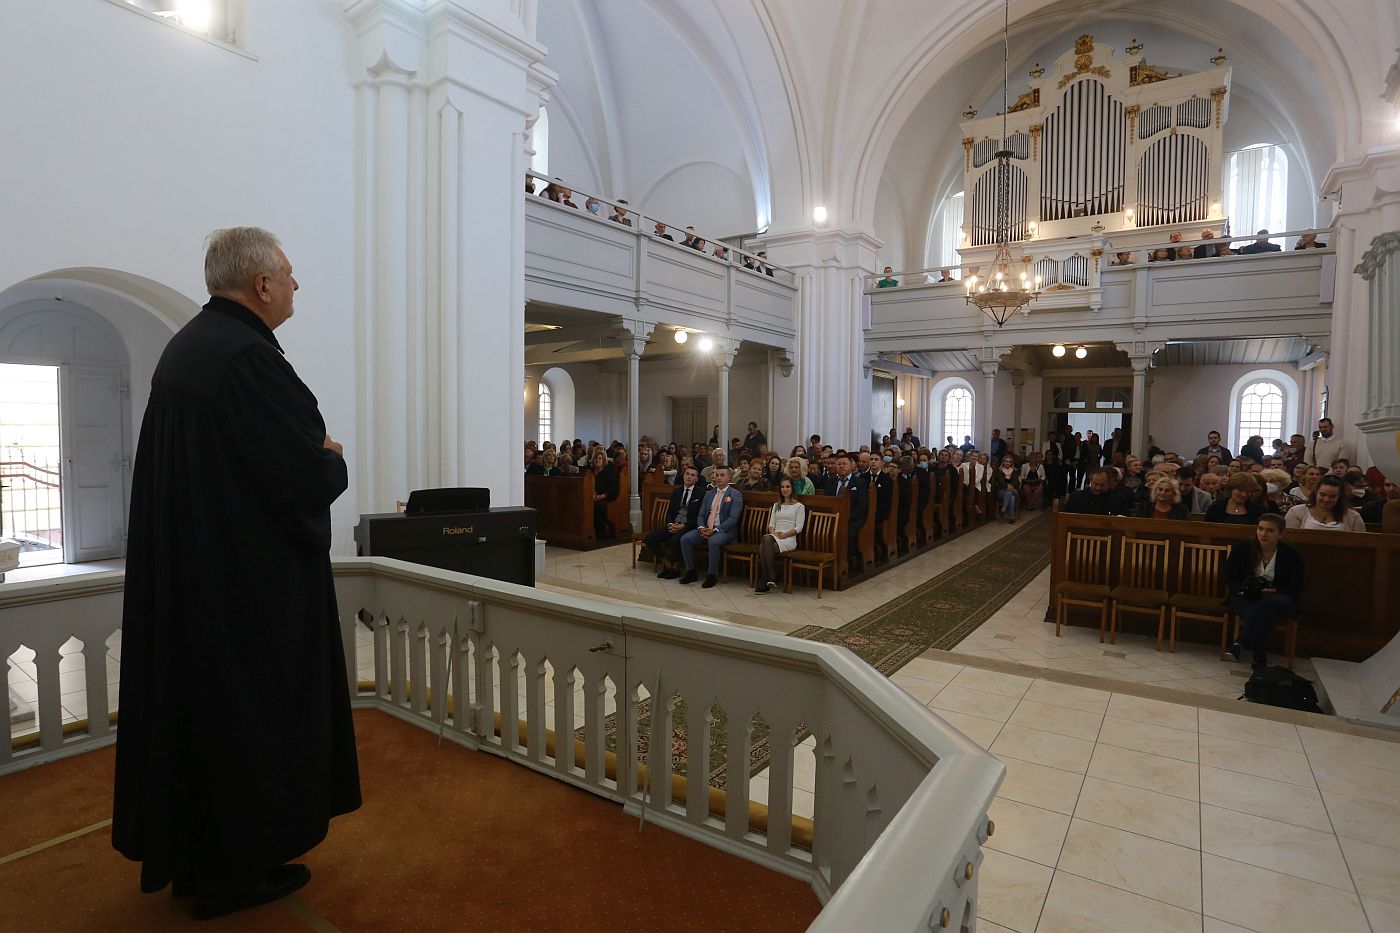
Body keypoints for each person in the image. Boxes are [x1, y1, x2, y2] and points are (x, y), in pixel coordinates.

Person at [113, 227, 360, 920]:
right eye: (289, 274)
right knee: (249, 718)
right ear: (261, 285)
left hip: (199, 577)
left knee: (203, 720)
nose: (295, 285)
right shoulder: (249, 360)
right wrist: (331, 457)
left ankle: (198, 859)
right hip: (243, 591)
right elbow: (300, 471)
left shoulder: (189, 348)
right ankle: (236, 873)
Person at [1225, 514, 1303, 670]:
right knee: (1261, 614)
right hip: (1246, 596)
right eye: (1260, 529)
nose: (1263, 534)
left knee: (1268, 605)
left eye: (1270, 530)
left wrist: (1276, 590)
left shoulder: (1292, 553)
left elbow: (1298, 584)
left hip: (1278, 597)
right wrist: (1243, 589)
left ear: (1280, 533)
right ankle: (1259, 659)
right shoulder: (1243, 548)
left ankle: (1241, 642)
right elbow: (1229, 576)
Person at [678, 465, 744, 588]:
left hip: (724, 531)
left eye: (722, 475)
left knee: (713, 542)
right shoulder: (709, 494)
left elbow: (733, 518)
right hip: (706, 528)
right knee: (685, 539)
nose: (718, 478)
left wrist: (715, 530)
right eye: (717, 475)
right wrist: (701, 528)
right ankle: (691, 571)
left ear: (728, 477)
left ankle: (711, 575)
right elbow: (701, 514)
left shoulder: (735, 495)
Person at [648, 465, 704, 579]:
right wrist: (670, 524)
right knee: (650, 538)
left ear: (696, 479)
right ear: (683, 476)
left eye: (692, 475)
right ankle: (667, 564)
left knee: (675, 540)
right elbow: (670, 512)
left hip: (688, 526)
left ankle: (676, 568)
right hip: (674, 524)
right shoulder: (677, 491)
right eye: (687, 474)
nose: (689, 477)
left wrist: (683, 526)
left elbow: (699, 516)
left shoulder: (701, 493)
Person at [756, 477, 807, 593]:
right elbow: (771, 525)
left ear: (792, 489)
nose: (785, 489)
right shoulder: (776, 505)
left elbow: (799, 528)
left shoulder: (799, 506)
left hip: (789, 539)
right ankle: (771, 575)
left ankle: (766, 578)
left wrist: (785, 535)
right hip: (775, 537)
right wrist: (774, 533)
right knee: (767, 540)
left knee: (763, 545)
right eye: (782, 487)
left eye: (787, 486)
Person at [823, 453, 868, 571]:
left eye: (844, 464)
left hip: (853, 519)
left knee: (849, 533)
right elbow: (827, 501)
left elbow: (862, 506)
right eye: (839, 464)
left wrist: (846, 517)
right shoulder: (831, 481)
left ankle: (847, 561)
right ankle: (828, 561)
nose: (841, 466)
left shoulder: (859, 483)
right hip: (834, 517)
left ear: (851, 466)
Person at [1283, 475, 1367, 531]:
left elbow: (1361, 544)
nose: (1326, 499)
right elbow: (1289, 541)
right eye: (1322, 495)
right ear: (1316, 492)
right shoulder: (1296, 512)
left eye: (1332, 496)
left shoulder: (1353, 517)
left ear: (1339, 496)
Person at [993, 454, 1020, 523]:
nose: (1008, 463)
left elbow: (1015, 482)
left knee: (1011, 492)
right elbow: (1000, 481)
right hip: (1001, 491)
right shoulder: (999, 470)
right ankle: (1011, 517)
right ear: (1003, 462)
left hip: (1014, 490)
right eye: (1006, 461)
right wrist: (1007, 486)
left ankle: (1003, 509)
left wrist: (1011, 487)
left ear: (1011, 463)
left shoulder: (1015, 471)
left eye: (1009, 462)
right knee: (1012, 498)